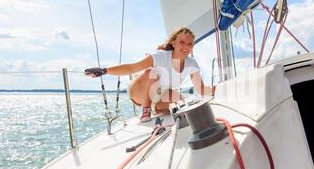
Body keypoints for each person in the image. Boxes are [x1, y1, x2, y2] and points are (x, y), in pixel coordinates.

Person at [85, 27, 216, 122]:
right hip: (139, 91)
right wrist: (104, 70)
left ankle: (157, 109)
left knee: (183, 101)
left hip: (159, 95)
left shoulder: (191, 63)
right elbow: (132, 67)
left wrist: (219, 88)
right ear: (173, 43)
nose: (186, 46)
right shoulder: (160, 56)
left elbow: (201, 89)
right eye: (182, 42)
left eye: (190, 44)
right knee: (151, 73)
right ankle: (146, 110)